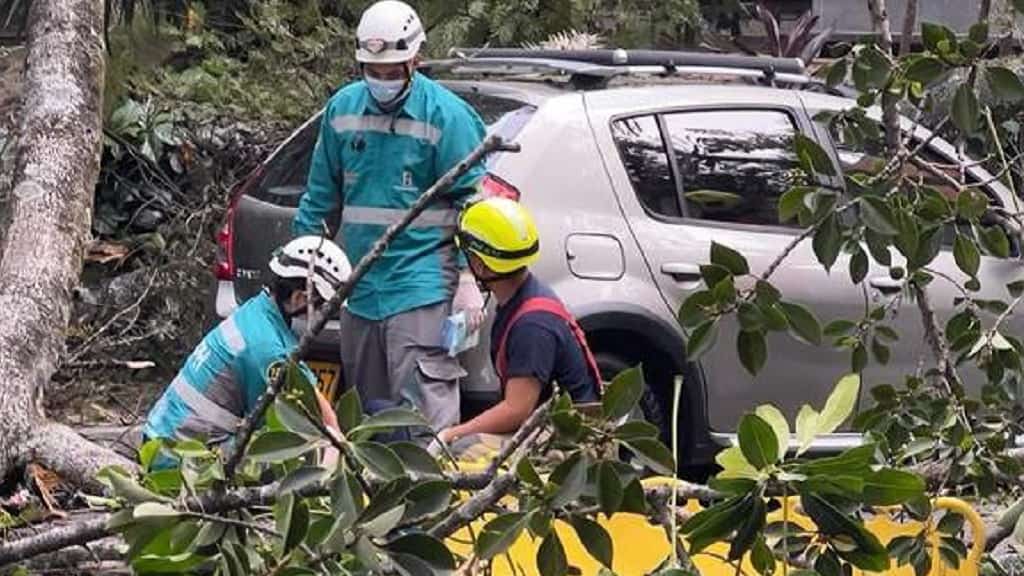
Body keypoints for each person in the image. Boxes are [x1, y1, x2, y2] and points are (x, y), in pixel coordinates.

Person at [291, 0, 487, 435]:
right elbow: (319, 201)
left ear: (415, 60)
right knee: (368, 424)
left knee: (423, 424)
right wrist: (299, 275)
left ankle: (434, 502)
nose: (382, 80)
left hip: (421, 286)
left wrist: (469, 279)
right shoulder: (342, 111)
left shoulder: (447, 117)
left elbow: (473, 205)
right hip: (359, 290)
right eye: (373, 71)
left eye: (393, 70)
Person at [142, 236, 351, 465]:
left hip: (158, 441)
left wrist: (335, 431)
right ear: (300, 297)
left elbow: (306, 386)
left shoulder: (258, 311)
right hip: (178, 461)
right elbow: (302, 417)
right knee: (299, 449)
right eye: (323, 307)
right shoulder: (265, 350)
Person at [437, 197, 602, 446]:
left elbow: (516, 410)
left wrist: (451, 434)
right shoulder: (523, 297)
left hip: (567, 441)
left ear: (480, 266)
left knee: (461, 449)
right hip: (545, 424)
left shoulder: (533, 326)